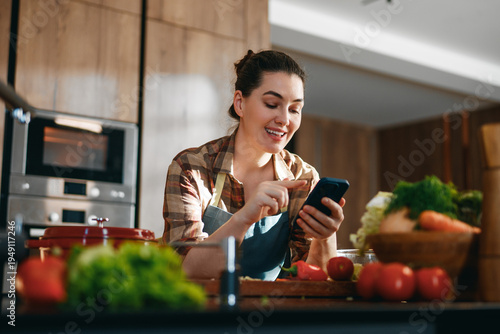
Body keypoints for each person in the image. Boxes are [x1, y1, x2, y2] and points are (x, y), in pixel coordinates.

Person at [162, 50, 345, 280]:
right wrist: (245, 218)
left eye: (294, 109)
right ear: (240, 103)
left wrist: (325, 236)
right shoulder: (192, 168)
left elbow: (311, 283)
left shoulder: (303, 178)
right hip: (201, 312)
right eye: (272, 104)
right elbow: (184, 270)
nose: (284, 119)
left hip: (268, 313)